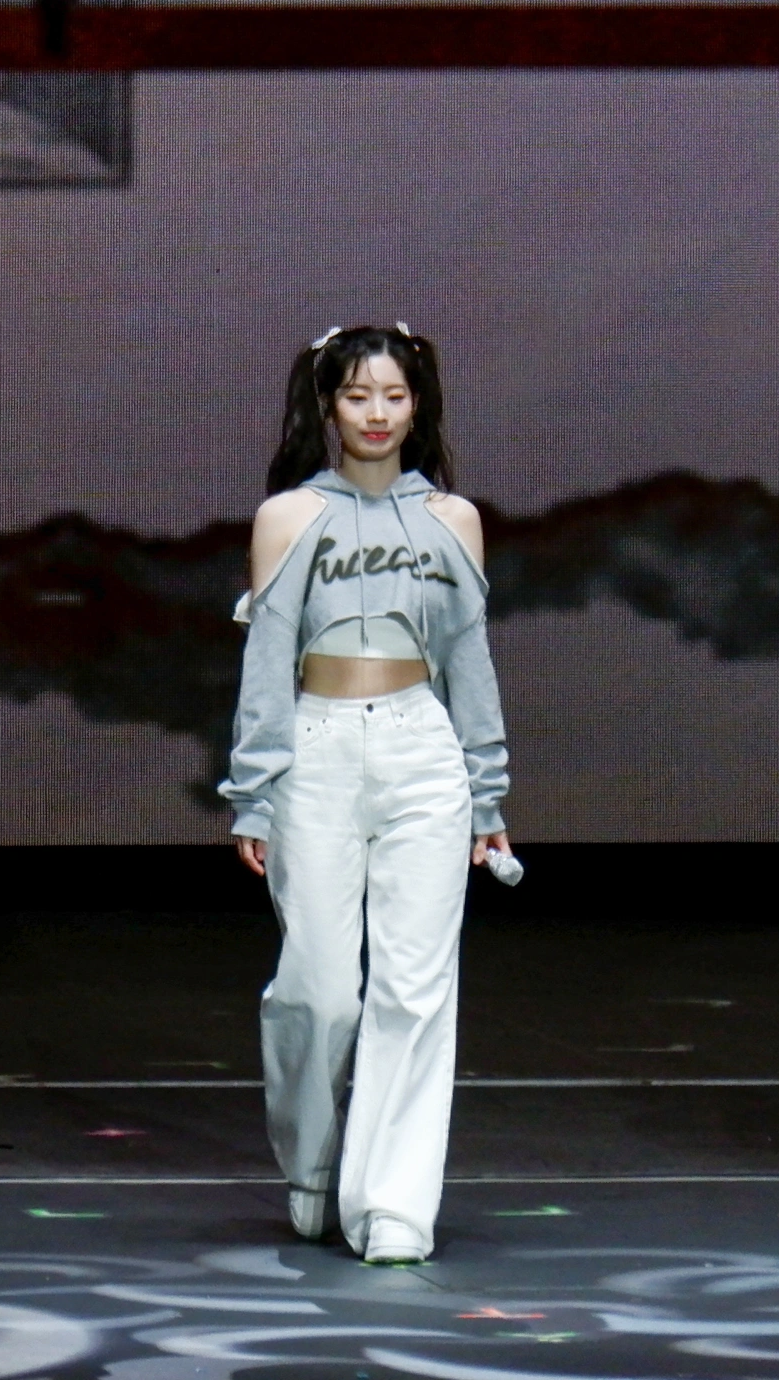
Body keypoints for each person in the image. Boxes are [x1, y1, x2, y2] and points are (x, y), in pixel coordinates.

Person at [220, 323, 513, 1265]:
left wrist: (488, 795)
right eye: (357, 395)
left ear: (418, 405)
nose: (377, 413)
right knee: (317, 992)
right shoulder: (287, 517)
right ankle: (311, 1165)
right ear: (327, 405)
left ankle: (394, 1206)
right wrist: (253, 792)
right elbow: (267, 663)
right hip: (316, 751)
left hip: (423, 750)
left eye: (394, 395)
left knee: (415, 991)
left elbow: (470, 662)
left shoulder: (453, 520)